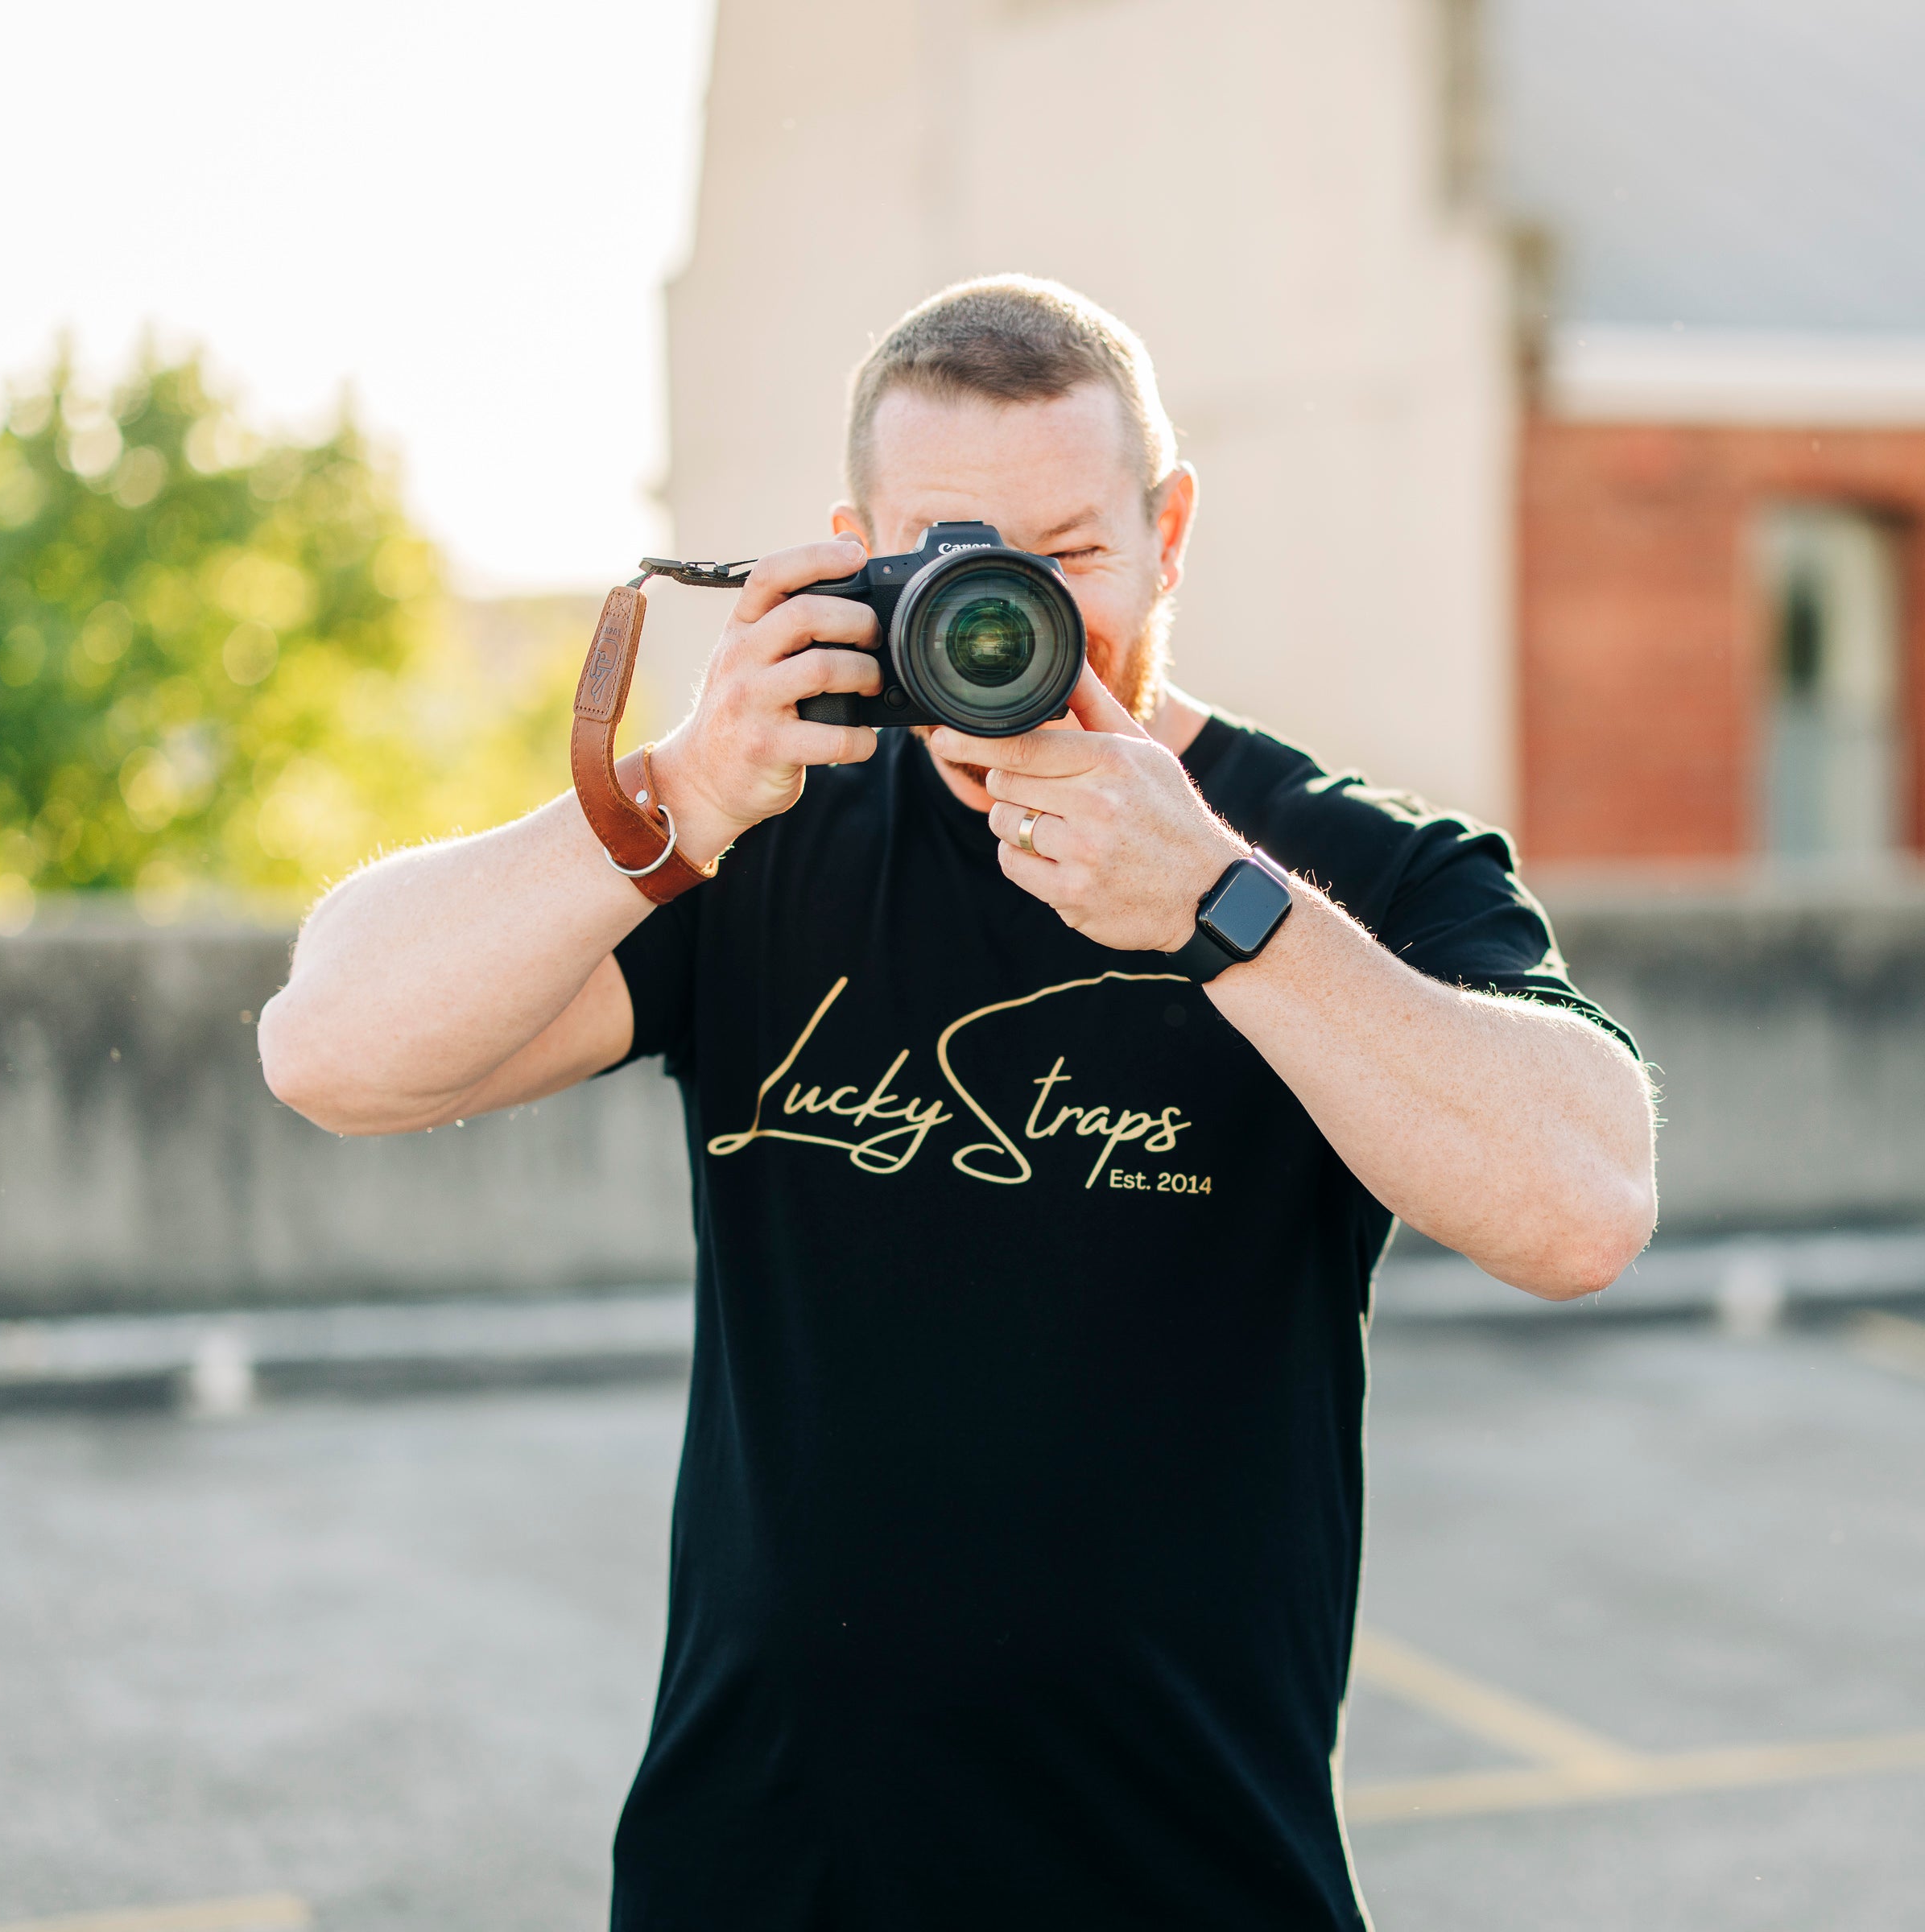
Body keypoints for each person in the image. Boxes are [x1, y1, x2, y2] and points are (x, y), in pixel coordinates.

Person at [261, 275, 1655, 1930]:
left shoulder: (1331, 868)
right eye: (950, 561)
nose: (1011, 622)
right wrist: (680, 791)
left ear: (1170, 533)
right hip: (759, 1880)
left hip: (1187, 1879)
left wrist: (1221, 907)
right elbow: (331, 1050)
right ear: (855, 552)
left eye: (1067, 557)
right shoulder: (756, 830)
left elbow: (1586, 1207)